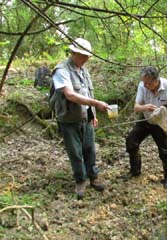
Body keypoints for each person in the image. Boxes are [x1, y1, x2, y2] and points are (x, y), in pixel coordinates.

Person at [51, 38, 110, 199]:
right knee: (75, 152)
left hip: (86, 118)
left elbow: (88, 93)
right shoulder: (61, 70)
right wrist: (96, 103)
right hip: (68, 120)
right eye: (84, 56)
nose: (86, 59)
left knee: (90, 149)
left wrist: (93, 114)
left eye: (87, 56)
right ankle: (80, 180)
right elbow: (70, 95)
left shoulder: (83, 70)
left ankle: (93, 177)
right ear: (74, 53)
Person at [125, 66, 167, 189]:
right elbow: (136, 107)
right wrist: (145, 107)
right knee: (131, 141)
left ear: (156, 80)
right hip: (145, 119)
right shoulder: (142, 85)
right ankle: (135, 171)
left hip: (161, 123)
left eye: (149, 83)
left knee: (165, 151)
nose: (146, 85)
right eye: (144, 82)